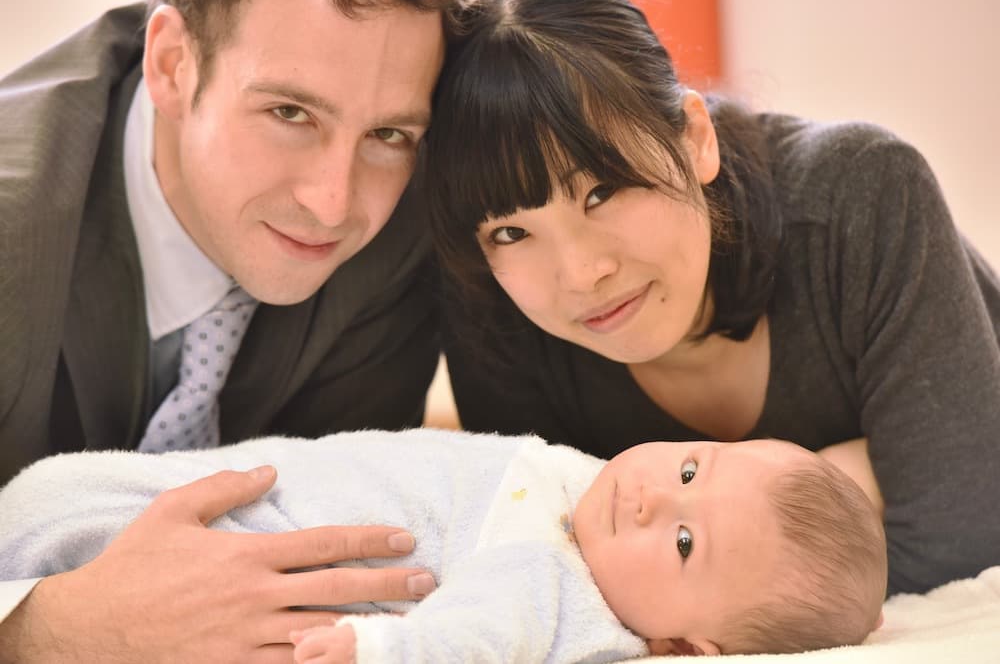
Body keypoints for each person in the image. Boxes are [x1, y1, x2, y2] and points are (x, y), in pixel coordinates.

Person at [426, 0, 1000, 599]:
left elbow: (965, 545)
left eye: (602, 191)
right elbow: (537, 569)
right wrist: (852, 481)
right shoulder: (490, 301)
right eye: (511, 232)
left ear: (696, 138)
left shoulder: (861, 195)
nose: (581, 274)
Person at [0, 0, 458, 660]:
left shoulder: (409, 222)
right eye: (290, 113)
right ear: (172, 65)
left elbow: (338, 552)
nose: (333, 204)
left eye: (387, 134)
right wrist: (51, 629)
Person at [0, 429, 887, 662]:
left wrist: (372, 647)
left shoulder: (557, 583)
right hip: (177, 492)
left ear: (686, 647)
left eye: (686, 542)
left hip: (187, 541)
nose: (654, 495)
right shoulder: (591, 489)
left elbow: (465, 641)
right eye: (691, 468)